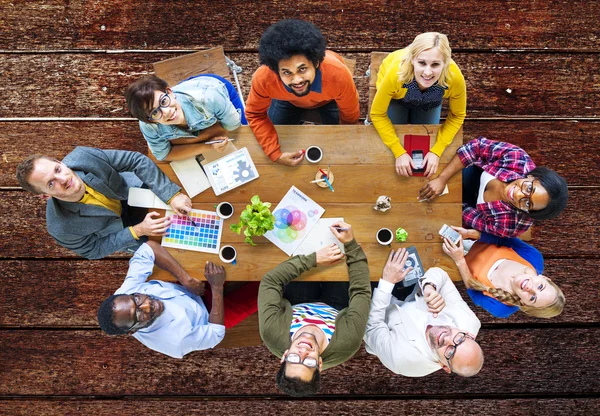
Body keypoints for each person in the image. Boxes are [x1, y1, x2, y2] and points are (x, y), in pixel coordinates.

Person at [258, 221, 370, 396]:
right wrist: (350, 244)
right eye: (308, 362)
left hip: (299, 301)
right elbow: (361, 292)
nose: (303, 351)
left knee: (302, 240)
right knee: (342, 251)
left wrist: (314, 259)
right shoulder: (347, 344)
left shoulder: (272, 334)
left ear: (284, 356)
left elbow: (270, 282)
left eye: (294, 358)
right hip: (338, 305)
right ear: (319, 364)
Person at [16, 147, 190, 259]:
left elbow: (135, 160)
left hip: (133, 191)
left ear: (60, 162)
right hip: (125, 231)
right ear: (45, 196)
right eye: (51, 184)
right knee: (185, 252)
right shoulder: (60, 228)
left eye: (58, 170)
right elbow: (93, 250)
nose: (64, 179)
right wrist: (137, 231)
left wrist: (171, 195)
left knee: (192, 206)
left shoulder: (83, 156)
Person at [97, 240, 259, 358]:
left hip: (187, 284)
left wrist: (185, 280)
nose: (147, 305)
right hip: (212, 314)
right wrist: (217, 288)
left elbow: (149, 248)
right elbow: (215, 334)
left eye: (137, 299)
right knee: (265, 291)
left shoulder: (125, 294)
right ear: (133, 330)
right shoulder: (174, 342)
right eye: (139, 316)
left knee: (239, 253)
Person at [245, 19, 360, 166]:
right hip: (287, 101)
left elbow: (350, 116)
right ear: (275, 70)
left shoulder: (338, 75)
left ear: (316, 62)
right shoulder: (263, 78)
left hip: (328, 101)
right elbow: (255, 114)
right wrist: (275, 154)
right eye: (287, 72)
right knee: (272, 139)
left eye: (302, 69)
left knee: (339, 147)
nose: (297, 80)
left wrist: (343, 137)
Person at [364, 248, 483, 377]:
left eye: (450, 353)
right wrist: (430, 287)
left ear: (444, 366)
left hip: (371, 313)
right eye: (459, 339)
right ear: (468, 334)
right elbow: (441, 275)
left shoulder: (403, 360)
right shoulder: (469, 321)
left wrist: (387, 282)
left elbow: (371, 327)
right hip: (407, 293)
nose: (446, 338)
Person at [419, 137, 568, 238]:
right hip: (458, 171)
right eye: (529, 188)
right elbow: (475, 147)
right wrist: (442, 179)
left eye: (528, 203)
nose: (517, 195)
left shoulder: (512, 225)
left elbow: (467, 217)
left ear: (530, 213)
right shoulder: (517, 158)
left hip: (463, 207)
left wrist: (444, 203)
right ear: (533, 177)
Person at [370, 32, 466, 177]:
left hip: (429, 101)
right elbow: (377, 114)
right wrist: (399, 152)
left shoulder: (455, 78)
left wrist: (436, 151)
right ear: (412, 59)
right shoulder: (396, 73)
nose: (427, 72)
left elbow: (458, 115)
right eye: (422, 63)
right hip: (397, 97)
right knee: (390, 138)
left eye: (435, 64)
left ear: (445, 63)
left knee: (424, 139)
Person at [441, 227, 565, 319]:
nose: (530, 288)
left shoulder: (502, 309)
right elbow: (503, 238)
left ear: (524, 304)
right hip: (471, 238)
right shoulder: (534, 258)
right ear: (545, 278)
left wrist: (459, 260)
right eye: (540, 286)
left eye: (532, 298)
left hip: (452, 263)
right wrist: (468, 233)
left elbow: (475, 294)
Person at [125, 74, 244, 161]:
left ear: (169, 91)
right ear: (149, 119)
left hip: (215, 88)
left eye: (163, 101)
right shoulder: (148, 124)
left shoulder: (209, 97)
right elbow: (164, 155)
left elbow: (233, 126)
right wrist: (209, 146)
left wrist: (184, 143)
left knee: (244, 128)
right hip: (191, 95)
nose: (166, 112)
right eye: (155, 113)